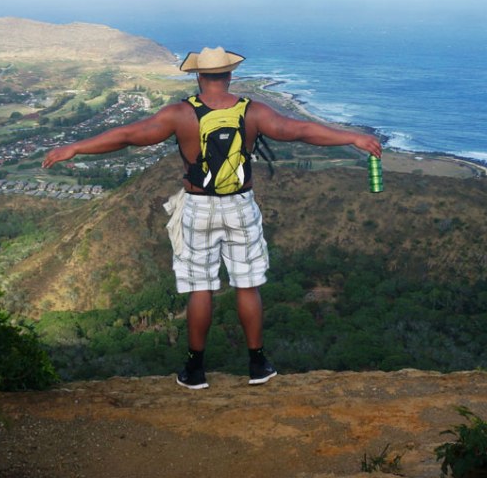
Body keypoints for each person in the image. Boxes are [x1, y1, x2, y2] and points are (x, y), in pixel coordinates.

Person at [42, 46, 382, 390]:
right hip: (241, 205)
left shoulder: (180, 114)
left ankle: (195, 370)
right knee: (247, 285)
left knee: (200, 288)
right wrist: (353, 137)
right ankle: (258, 364)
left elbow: (130, 136)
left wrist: (75, 147)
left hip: (198, 207)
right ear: (230, 75)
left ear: (199, 76)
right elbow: (300, 130)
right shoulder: (253, 113)